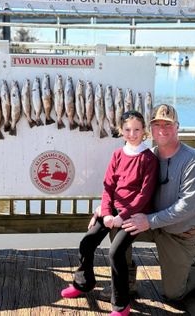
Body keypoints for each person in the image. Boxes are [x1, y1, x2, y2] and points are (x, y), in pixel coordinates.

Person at [93, 103, 195, 302]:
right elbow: (121, 189)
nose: (162, 129)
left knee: (174, 293)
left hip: (179, 233)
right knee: (117, 225)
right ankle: (125, 282)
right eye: (157, 124)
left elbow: (187, 207)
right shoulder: (148, 156)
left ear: (177, 126)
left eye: (168, 124)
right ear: (150, 129)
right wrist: (105, 209)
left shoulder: (192, 160)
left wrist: (149, 221)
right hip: (153, 224)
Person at [61, 110, 159, 316]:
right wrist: (105, 213)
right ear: (121, 131)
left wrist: (122, 217)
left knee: (115, 253)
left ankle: (121, 304)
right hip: (112, 209)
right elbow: (108, 187)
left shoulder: (149, 159)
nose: (132, 134)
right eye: (127, 130)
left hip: (135, 213)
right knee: (87, 242)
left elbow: (144, 195)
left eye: (137, 129)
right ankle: (83, 283)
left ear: (144, 131)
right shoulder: (117, 154)